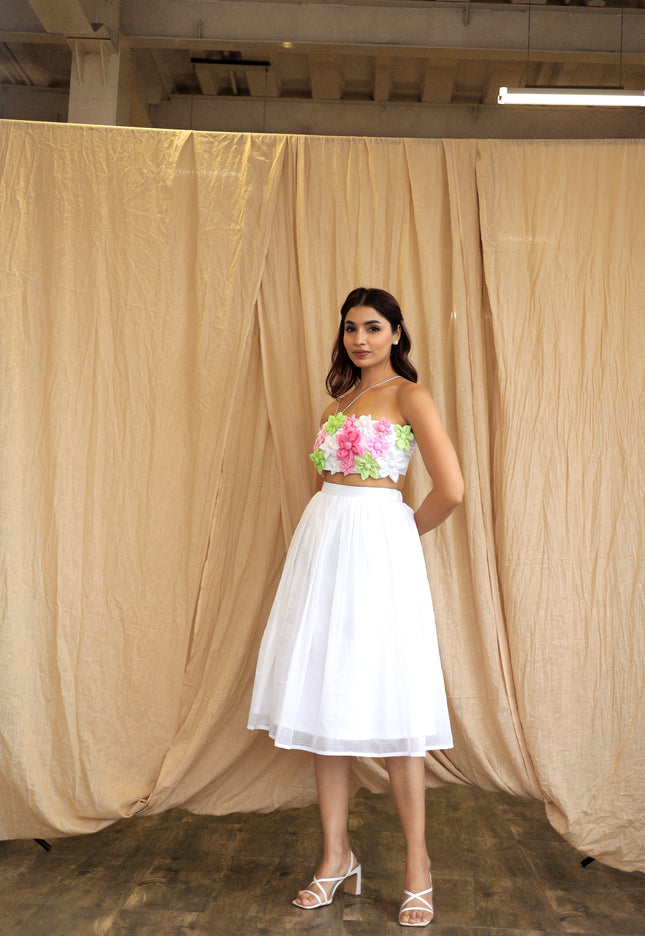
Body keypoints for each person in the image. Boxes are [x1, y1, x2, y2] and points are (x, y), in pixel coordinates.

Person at [248, 287, 464, 927]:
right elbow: (325, 486)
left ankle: (418, 868)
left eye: (373, 327)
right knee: (326, 693)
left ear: (397, 333)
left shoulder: (409, 396)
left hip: (379, 549)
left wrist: (399, 532)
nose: (360, 339)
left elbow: (450, 489)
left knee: (395, 701)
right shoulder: (336, 403)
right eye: (350, 329)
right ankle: (335, 856)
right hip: (324, 545)